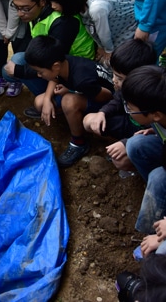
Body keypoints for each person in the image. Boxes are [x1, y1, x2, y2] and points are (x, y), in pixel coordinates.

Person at [2, 0, 96, 116]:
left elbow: (54, 61)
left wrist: (20, 72)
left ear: (42, 2)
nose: (20, 13)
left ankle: (53, 104)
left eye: (25, 8)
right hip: (60, 65)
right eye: (16, 7)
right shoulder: (36, 13)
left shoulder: (61, 23)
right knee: (17, 63)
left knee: (19, 64)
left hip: (76, 72)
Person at [24, 35, 114, 167]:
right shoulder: (63, 63)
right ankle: (71, 115)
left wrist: (72, 92)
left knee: (68, 101)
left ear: (55, 66)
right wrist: (48, 100)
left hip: (104, 101)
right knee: (40, 102)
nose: (38, 75)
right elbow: (55, 77)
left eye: (40, 72)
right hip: (87, 92)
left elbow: (107, 95)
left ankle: (79, 143)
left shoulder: (81, 79)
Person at [83, 39, 157, 170]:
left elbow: (155, 131)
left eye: (120, 78)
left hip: (143, 136)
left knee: (121, 161)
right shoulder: (125, 89)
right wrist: (102, 113)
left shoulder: (153, 94)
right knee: (89, 120)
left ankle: (139, 166)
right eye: (114, 75)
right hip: (128, 125)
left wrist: (126, 143)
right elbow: (117, 101)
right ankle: (118, 148)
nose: (114, 80)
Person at [121, 65, 166, 235]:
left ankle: (154, 232)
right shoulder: (160, 108)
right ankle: (157, 196)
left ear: (155, 115)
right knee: (136, 144)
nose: (128, 111)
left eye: (130, 108)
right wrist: (157, 130)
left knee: (159, 177)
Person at [81, 0, 137, 66]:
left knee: (115, 64)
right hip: (116, 30)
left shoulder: (97, 8)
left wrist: (108, 51)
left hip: (130, 26)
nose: (56, 6)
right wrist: (100, 46)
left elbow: (104, 33)